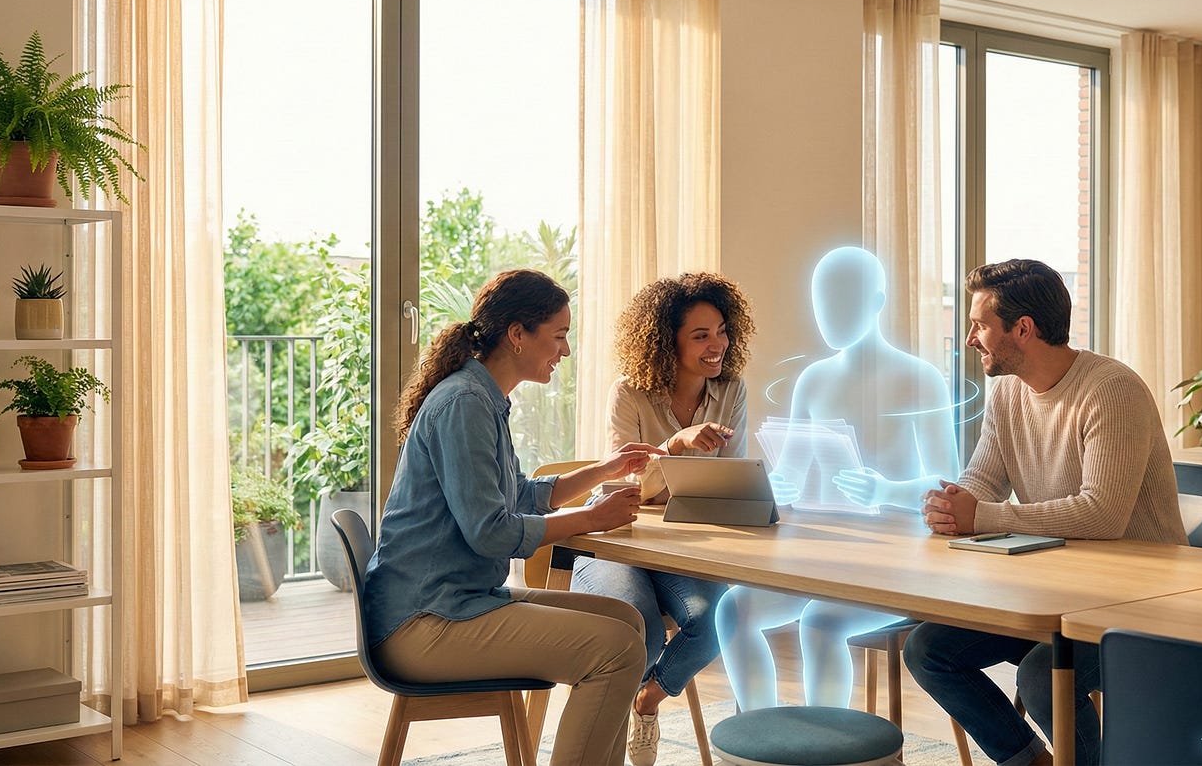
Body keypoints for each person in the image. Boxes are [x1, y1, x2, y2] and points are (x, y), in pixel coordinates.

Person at [364, 269, 662, 766]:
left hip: (457, 600)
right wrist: (591, 519)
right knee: (616, 650)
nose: (565, 351)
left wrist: (604, 470)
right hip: (423, 623)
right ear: (518, 334)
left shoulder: (485, 399)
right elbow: (491, 532)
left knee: (627, 621)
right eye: (559, 336)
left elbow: (518, 494)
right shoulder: (465, 403)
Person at [904, 258, 1187, 766]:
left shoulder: (1111, 390)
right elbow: (983, 481)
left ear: (1023, 329)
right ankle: (1030, 761)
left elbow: (1102, 515)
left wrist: (983, 517)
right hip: (1056, 592)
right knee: (928, 650)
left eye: (980, 325)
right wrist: (952, 505)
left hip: (1140, 599)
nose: (970, 338)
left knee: (1040, 676)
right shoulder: (1007, 393)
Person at [717, 246, 961, 712]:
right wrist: (778, 486)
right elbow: (790, 470)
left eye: (843, 302)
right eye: (822, 303)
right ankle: (760, 737)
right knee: (734, 609)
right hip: (823, 553)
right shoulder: (814, 380)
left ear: (875, 303)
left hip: (898, 557)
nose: (828, 316)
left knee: (821, 622)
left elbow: (949, 485)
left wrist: (886, 489)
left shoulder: (918, 378)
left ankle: (827, 749)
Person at [572, 271, 756, 766]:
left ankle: (647, 701)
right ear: (664, 342)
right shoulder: (629, 392)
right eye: (700, 335)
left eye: (721, 330)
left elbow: (733, 481)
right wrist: (673, 448)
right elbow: (619, 490)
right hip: (617, 541)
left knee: (720, 617)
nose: (716, 344)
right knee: (640, 629)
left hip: (682, 549)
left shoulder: (731, 390)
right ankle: (604, 743)